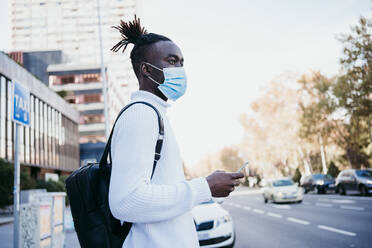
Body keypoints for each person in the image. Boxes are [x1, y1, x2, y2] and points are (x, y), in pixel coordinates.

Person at [109, 16, 244, 248]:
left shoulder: (155, 114)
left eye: (181, 63)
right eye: (172, 61)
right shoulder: (141, 115)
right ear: (145, 69)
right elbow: (127, 201)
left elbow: (158, 190)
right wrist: (205, 187)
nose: (179, 69)